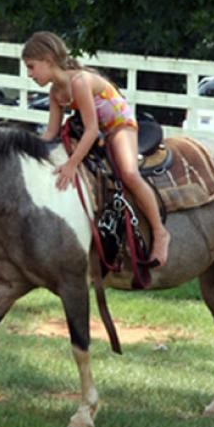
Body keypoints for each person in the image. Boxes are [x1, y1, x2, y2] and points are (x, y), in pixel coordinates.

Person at [21, 31, 170, 267]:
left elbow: (90, 130)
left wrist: (71, 165)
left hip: (119, 125)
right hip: (100, 131)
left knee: (129, 173)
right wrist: (29, 151)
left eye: (32, 67)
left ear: (49, 61)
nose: (29, 74)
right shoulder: (55, 93)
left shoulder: (79, 82)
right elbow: (50, 132)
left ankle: (160, 232)